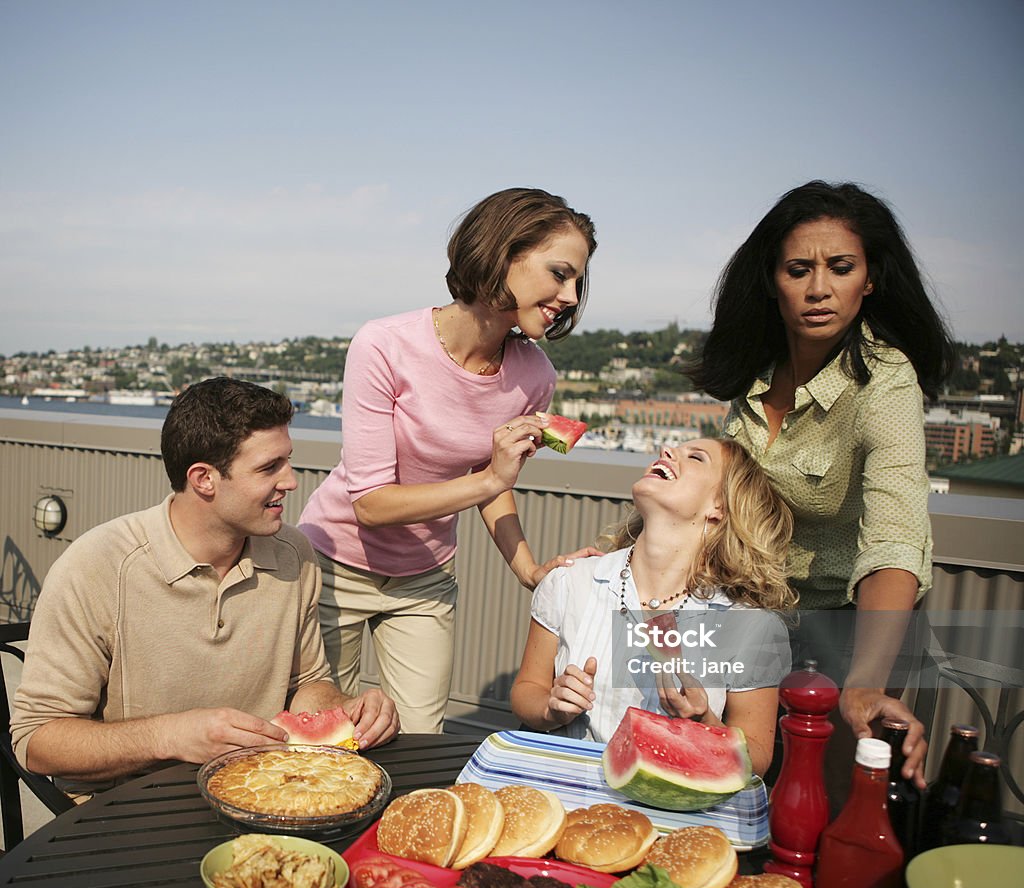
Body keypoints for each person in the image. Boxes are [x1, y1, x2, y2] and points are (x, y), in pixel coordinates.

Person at [298, 188, 600, 734]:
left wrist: (529, 569)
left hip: (424, 578)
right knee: (327, 738)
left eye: (578, 281)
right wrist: (489, 478)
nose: (572, 295)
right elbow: (370, 504)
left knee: (417, 742)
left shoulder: (536, 377)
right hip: (332, 568)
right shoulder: (383, 344)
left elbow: (495, 485)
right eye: (560, 274)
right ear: (504, 253)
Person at [686, 180, 957, 788]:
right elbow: (720, 499)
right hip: (758, 617)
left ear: (870, 279)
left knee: (818, 809)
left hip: (851, 630)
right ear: (771, 280)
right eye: (798, 269)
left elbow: (895, 534)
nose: (817, 289)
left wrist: (864, 681)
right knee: (728, 786)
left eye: (840, 268)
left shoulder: (885, 381)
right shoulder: (754, 375)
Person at [10, 378, 399, 795]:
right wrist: (170, 737)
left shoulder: (295, 554)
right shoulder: (95, 568)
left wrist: (348, 710)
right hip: (125, 807)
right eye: (270, 467)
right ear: (204, 479)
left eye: (288, 461)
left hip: (263, 788)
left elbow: (308, 682)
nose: (291, 481)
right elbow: (36, 743)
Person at [510, 438, 795, 778]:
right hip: (569, 789)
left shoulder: (753, 627)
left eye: (696, 457)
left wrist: (704, 722)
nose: (667, 451)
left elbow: (759, 758)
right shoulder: (569, 583)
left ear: (719, 505)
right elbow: (526, 691)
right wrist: (551, 708)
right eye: (672, 449)